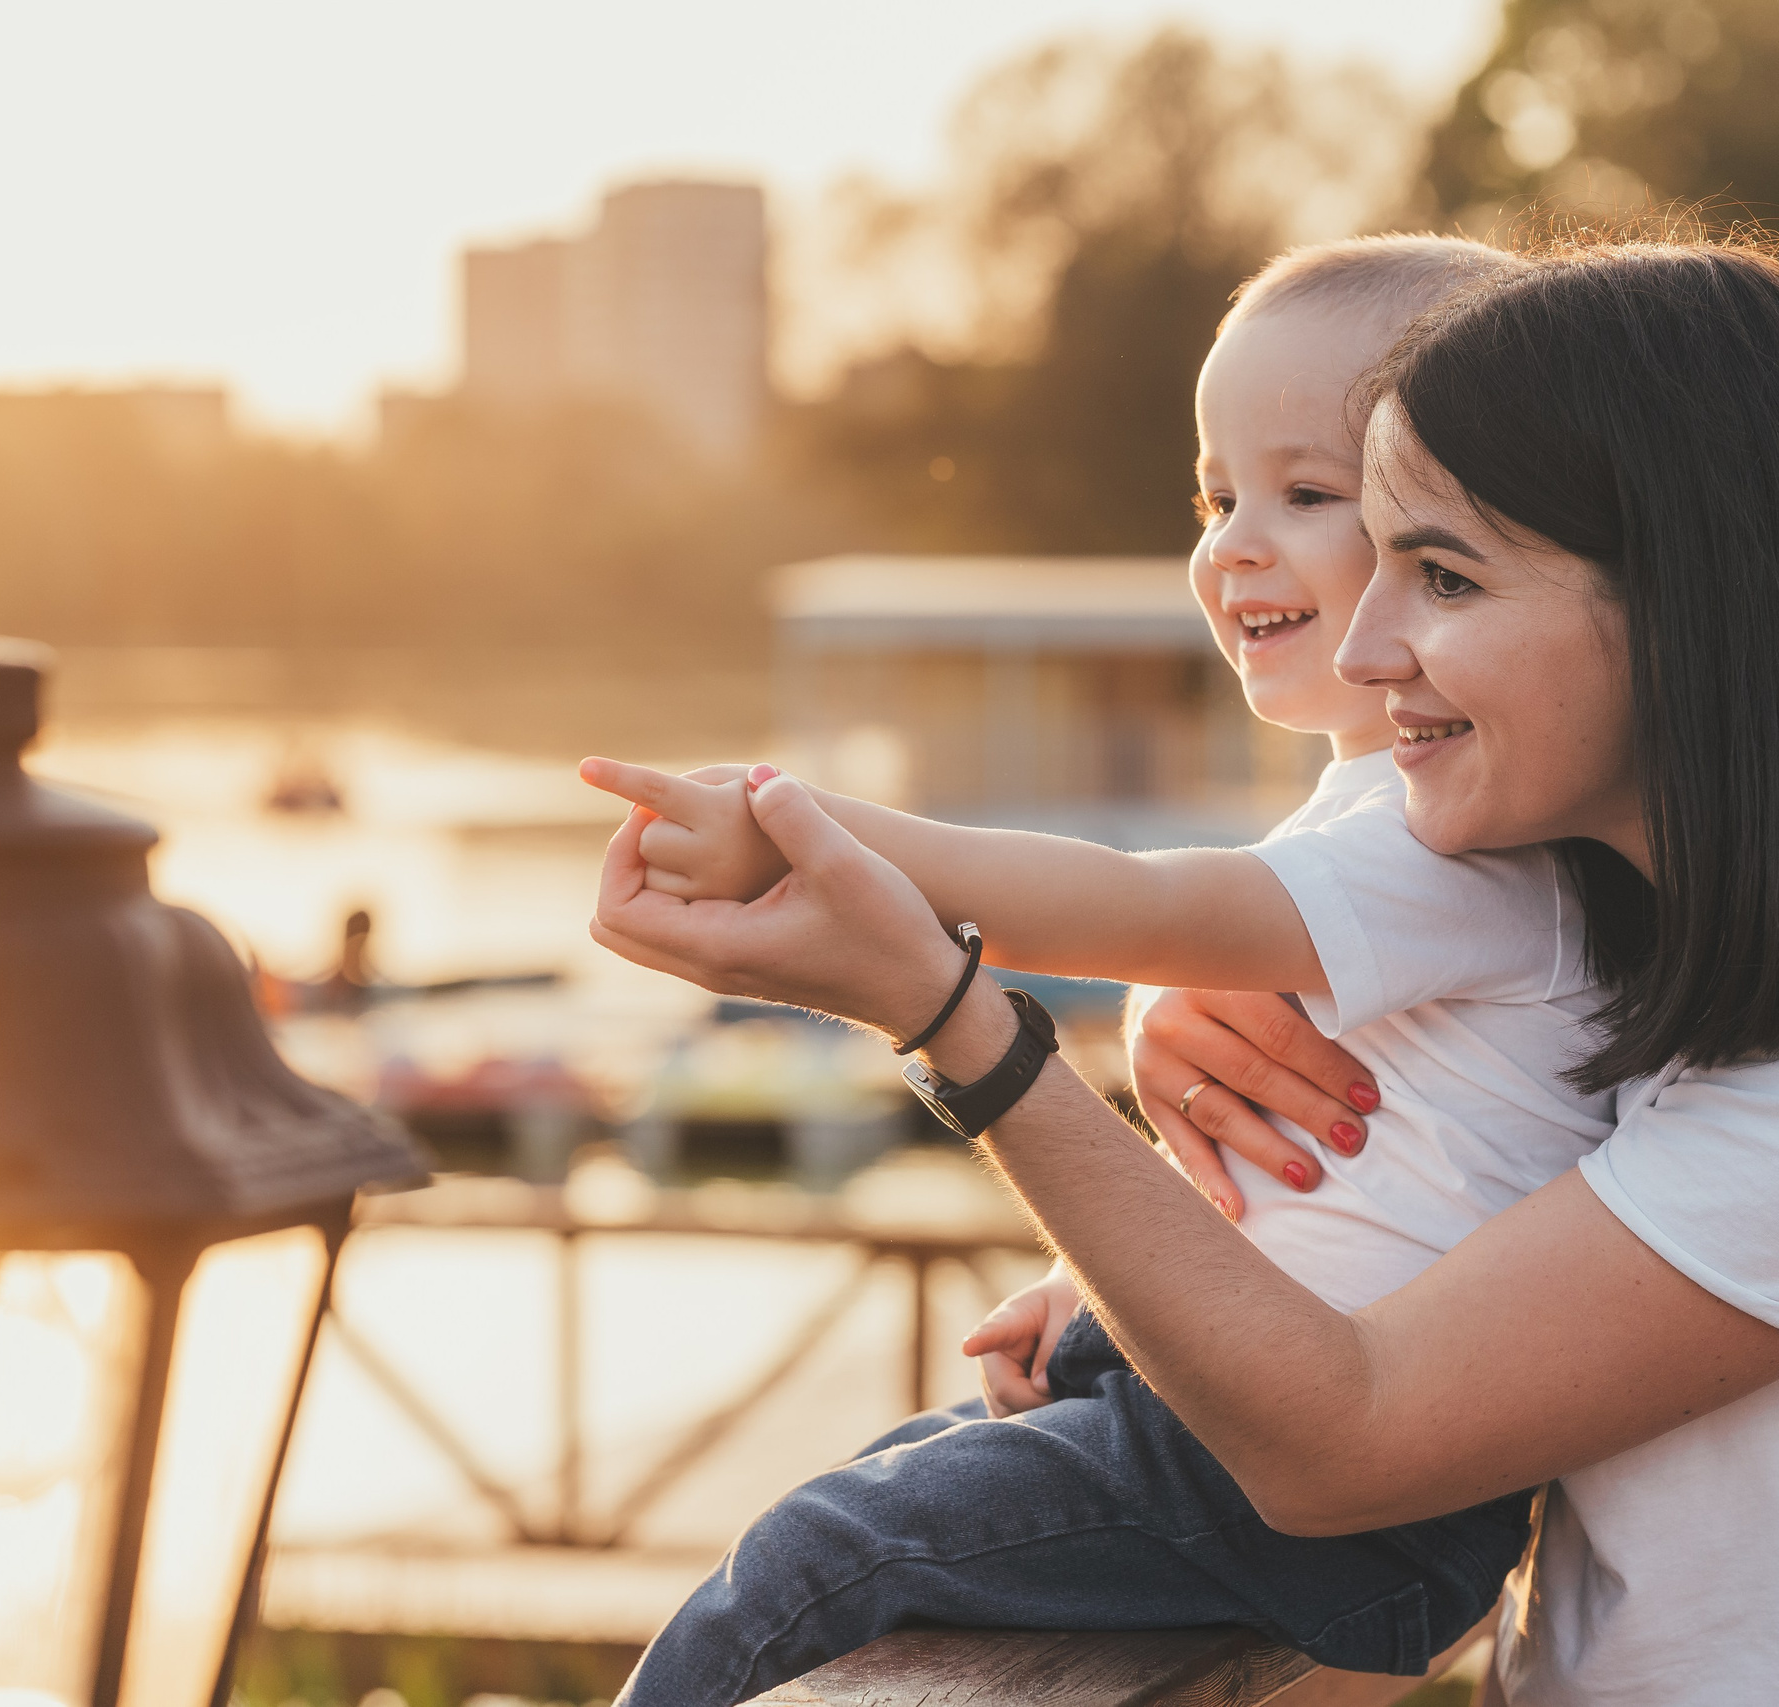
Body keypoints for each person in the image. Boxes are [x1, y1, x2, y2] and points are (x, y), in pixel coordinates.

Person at [593, 234, 1779, 1703]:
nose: (1363, 649)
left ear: (1694, 601)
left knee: (831, 1555)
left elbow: (1342, 1441)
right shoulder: (1693, 930)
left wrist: (963, 1025)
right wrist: (1179, 1072)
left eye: (1443, 577)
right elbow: (1439, 1157)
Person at [589, 234, 1617, 1706]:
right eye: (1214, 498)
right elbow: (1389, 1155)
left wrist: (795, 836)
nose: (1235, 544)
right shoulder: (1396, 816)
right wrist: (1095, 1291)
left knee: (820, 1558)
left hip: (1323, 1477)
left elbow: (1131, 901)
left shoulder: (1451, 835)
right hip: (1265, 1417)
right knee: (891, 1487)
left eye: (1309, 496)